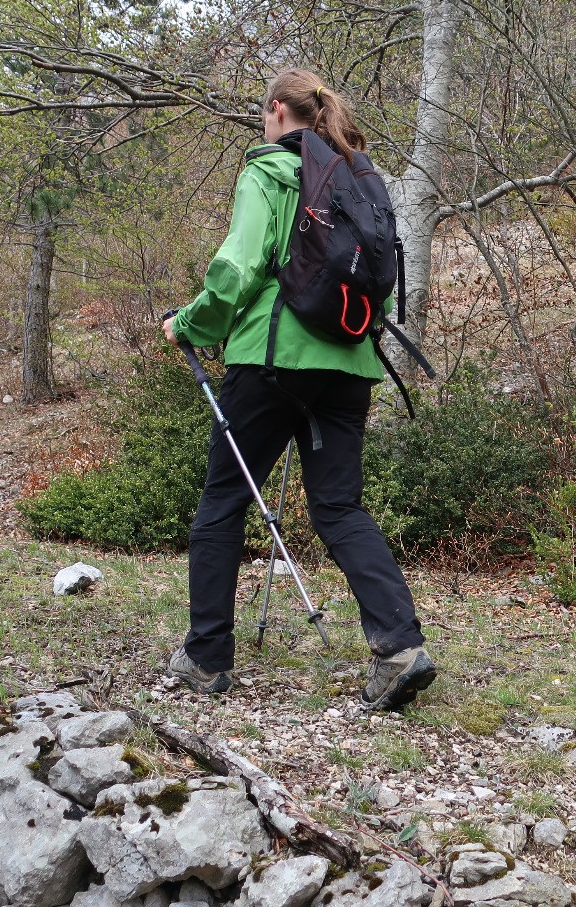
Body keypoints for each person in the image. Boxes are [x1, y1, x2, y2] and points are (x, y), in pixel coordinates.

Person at [160, 68, 436, 711]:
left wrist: (190, 325)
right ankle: (399, 646)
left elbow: (236, 268)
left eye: (265, 114)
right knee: (338, 508)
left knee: (224, 502)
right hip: (351, 365)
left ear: (279, 110)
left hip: (272, 360)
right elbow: (382, 283)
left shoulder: (269, 172)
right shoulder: (360, 180)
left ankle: (206, 657)